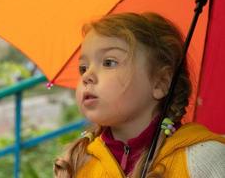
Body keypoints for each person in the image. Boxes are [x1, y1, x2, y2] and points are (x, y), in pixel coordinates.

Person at [54, 12, 225, 178]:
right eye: (83, 68)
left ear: (160, 83)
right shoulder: (77, 164)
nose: (86, 76)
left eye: (109, 62)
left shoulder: (205, 160)